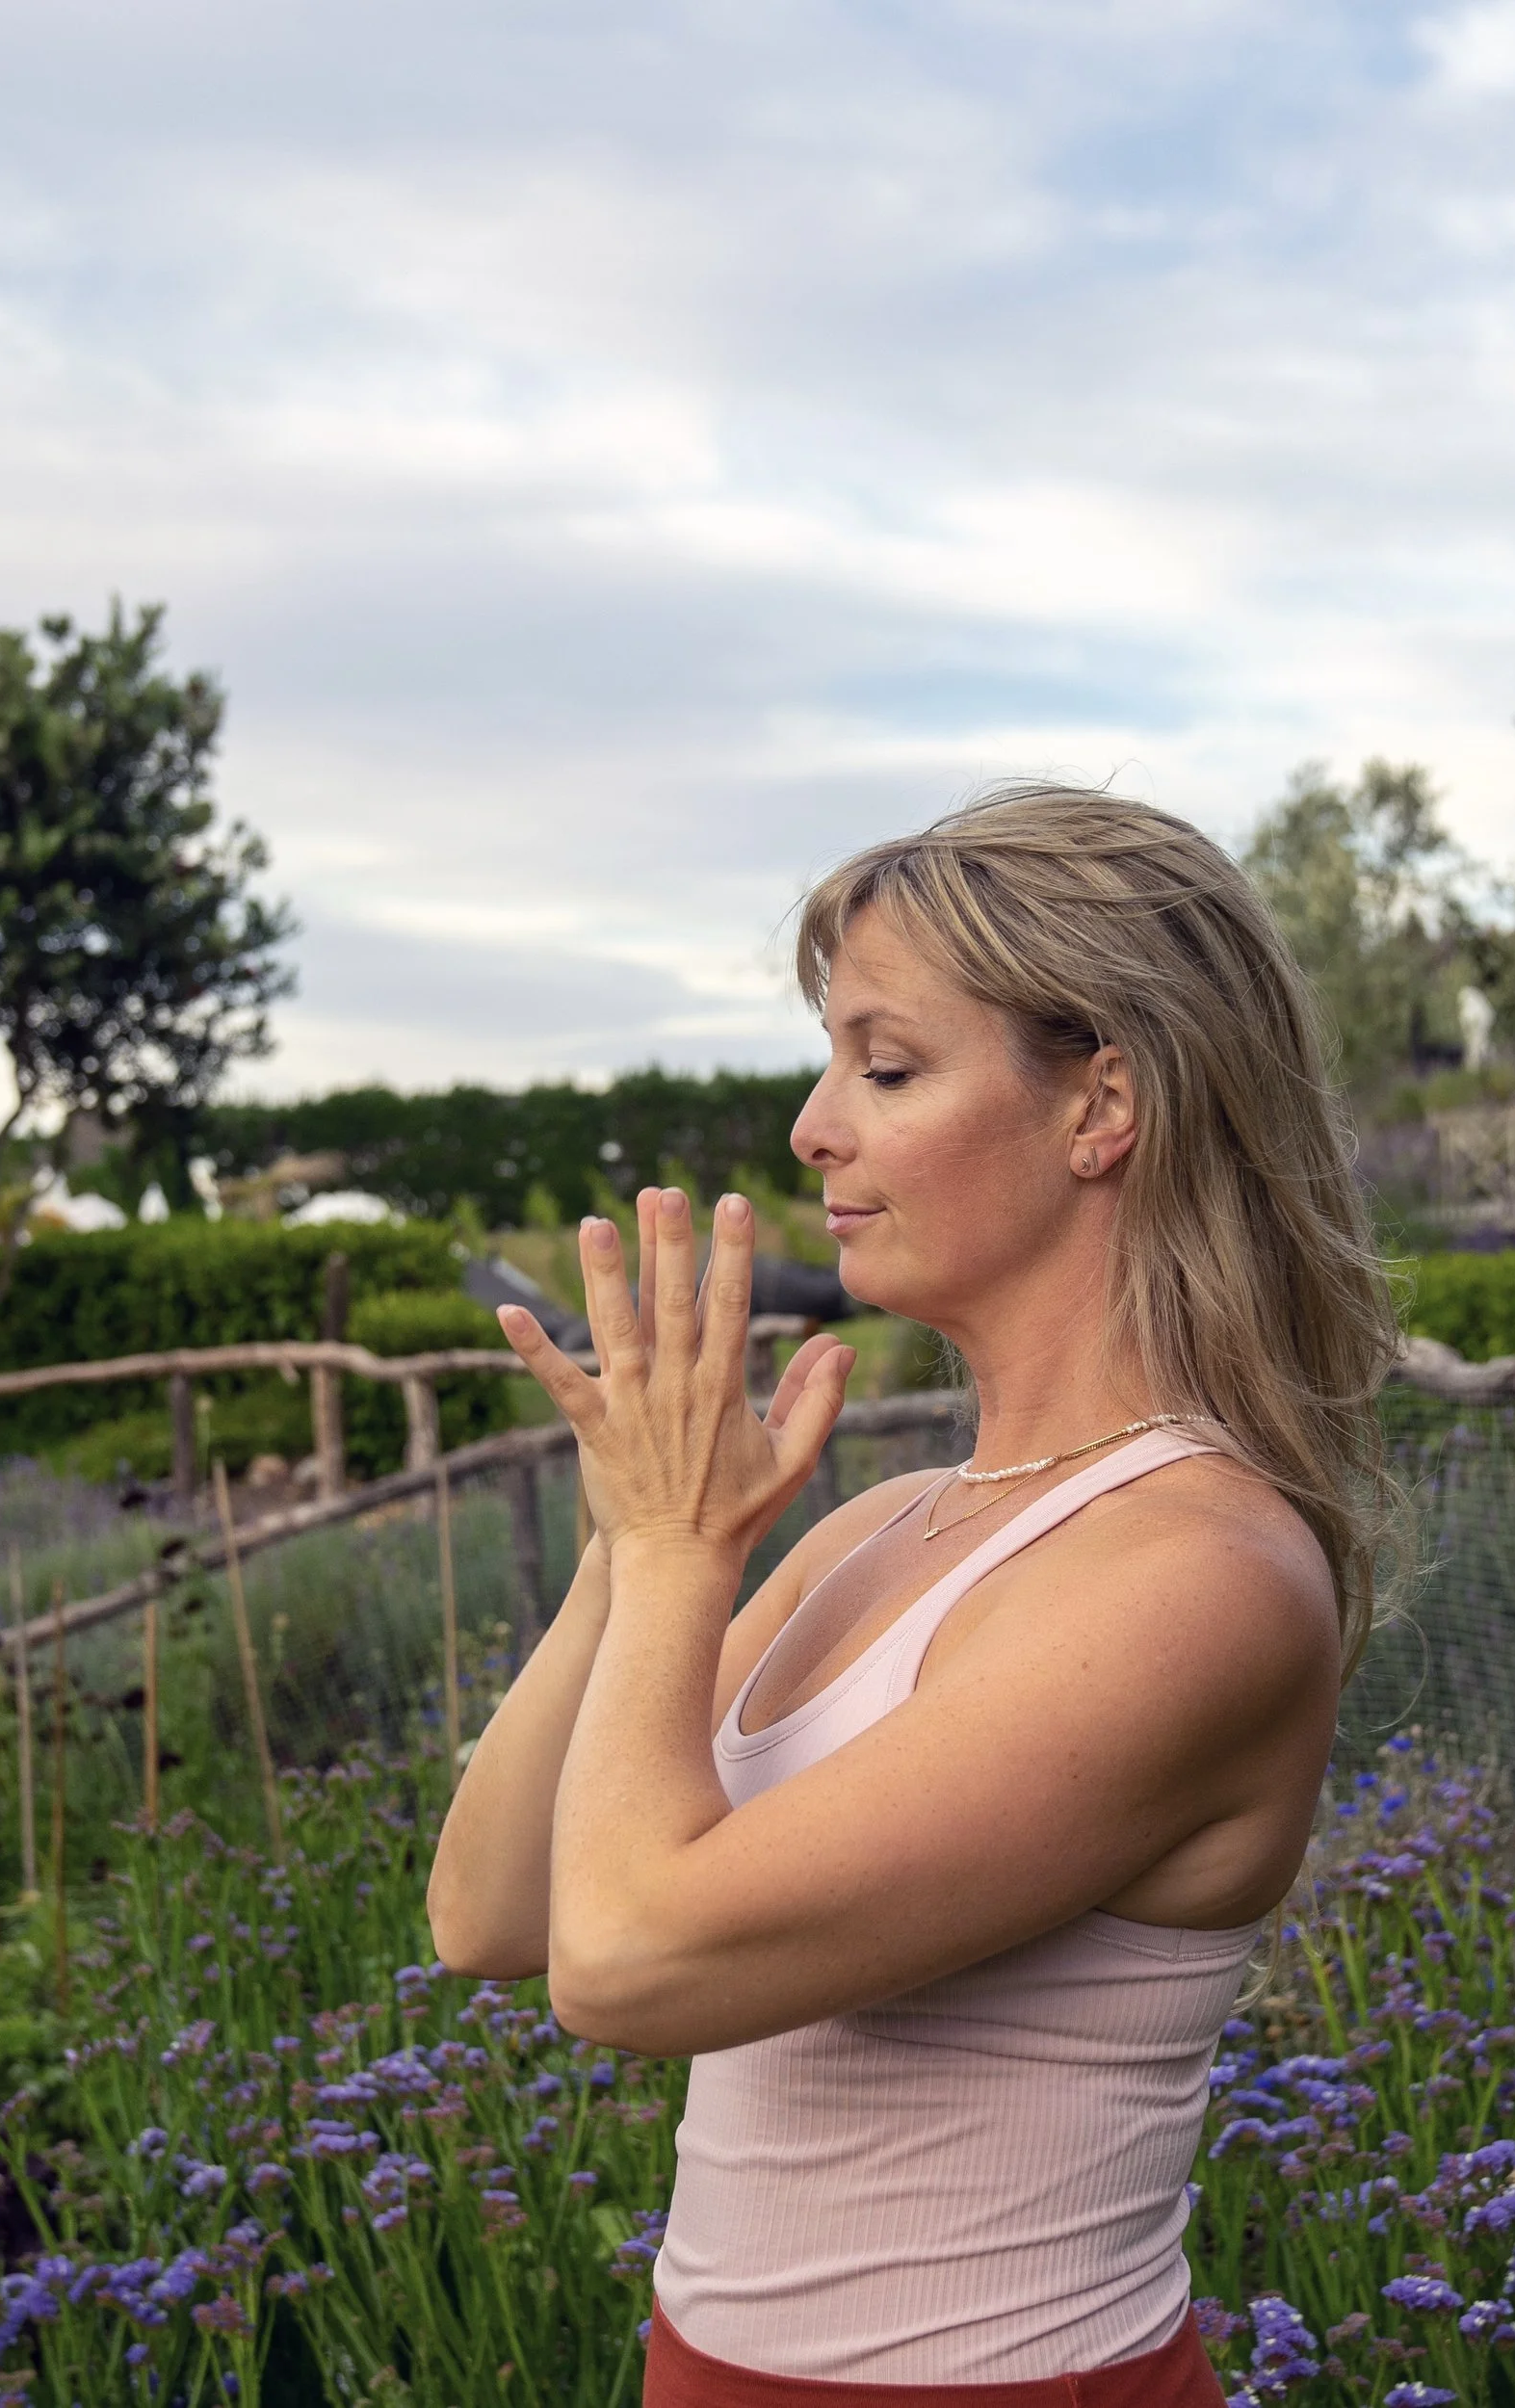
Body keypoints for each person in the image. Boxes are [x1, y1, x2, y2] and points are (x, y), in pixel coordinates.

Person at [428, 786, 1401, 2406]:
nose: (816, 1127)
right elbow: (495, 1915)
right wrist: (631, 1540)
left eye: (886, 1067)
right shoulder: (878, 1528)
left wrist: (682, 1561)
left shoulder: (1198, 1576)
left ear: (1103, 1108)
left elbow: (625, 1968)